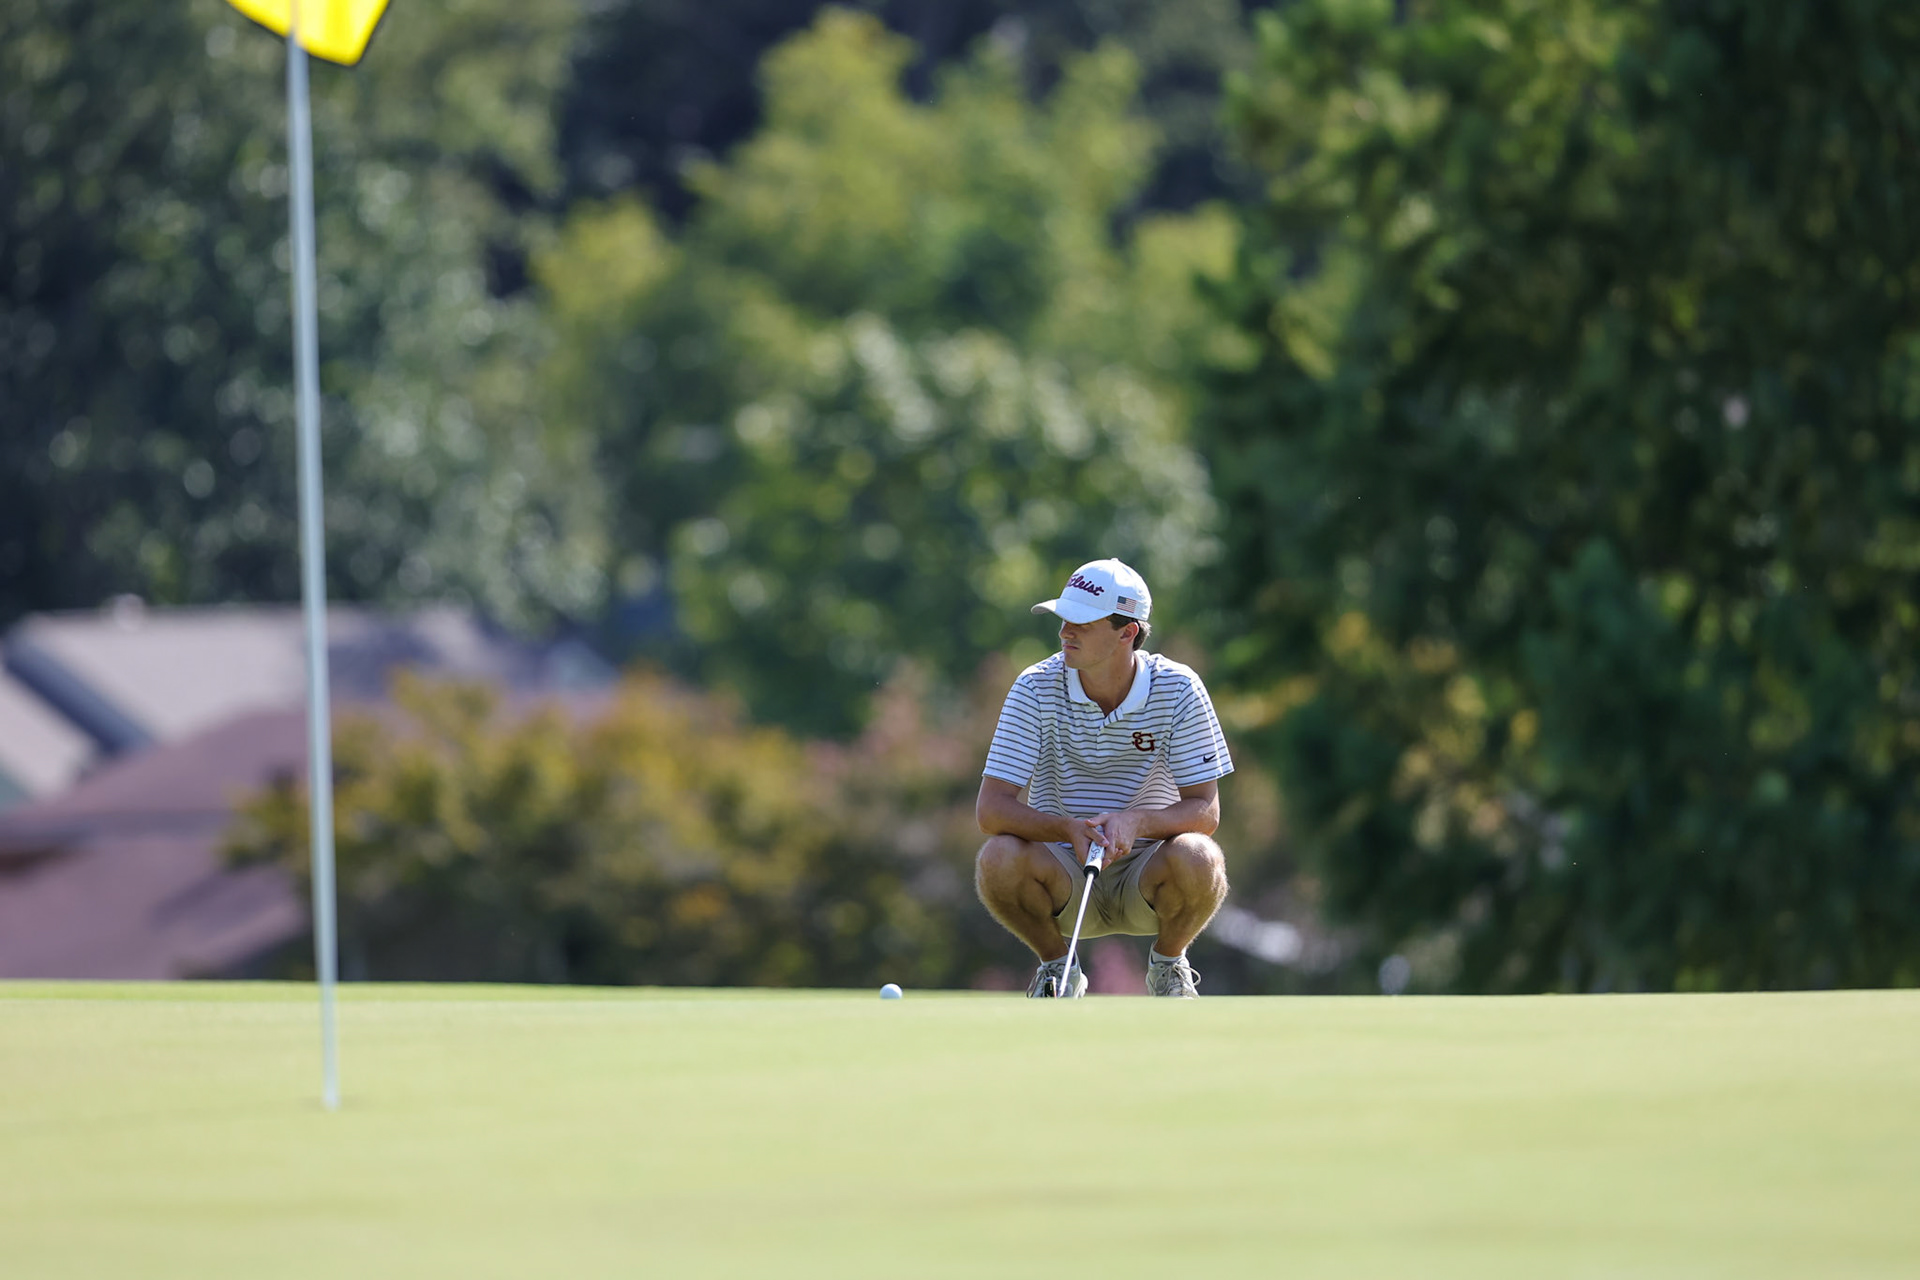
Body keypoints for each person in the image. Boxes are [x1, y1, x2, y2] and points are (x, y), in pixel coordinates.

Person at [974, 558, 1233, 997]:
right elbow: (991, 809)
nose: (1064, 633)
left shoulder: (1179, 688)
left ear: (1127, 632)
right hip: (1060, 876)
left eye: (1081, 623)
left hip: (1149, 876)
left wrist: (1136, 823)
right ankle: (1059, 969)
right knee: (996, 857)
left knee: (1200, 855)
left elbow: (1205, 810)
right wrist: (1068, 829)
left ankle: (1169, 965)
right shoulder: (1034, 686)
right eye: (1063, 620)